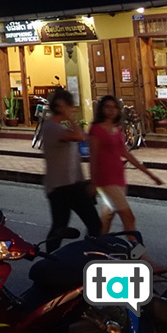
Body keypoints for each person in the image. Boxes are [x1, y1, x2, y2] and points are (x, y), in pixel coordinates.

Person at [89, 95, 163, 235]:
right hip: (105, 179)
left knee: (108, 215)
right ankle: (138, 253)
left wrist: (149, 174)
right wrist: (93, 181)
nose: (111, 110)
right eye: (107, 107)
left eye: (114, 107)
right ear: (101, 109)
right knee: (128, 217)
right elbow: (93, 157)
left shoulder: (117, 129)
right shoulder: (96, 130)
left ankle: (98, 244)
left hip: (118, 177)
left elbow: (126, 154)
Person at [40, 88, 101, 252]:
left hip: (72, 184)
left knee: (90, 224)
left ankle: (87, 254)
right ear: (60, 106)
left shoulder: (59, 127)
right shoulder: (52, 127)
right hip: (62, 187)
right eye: (70, 105)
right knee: (61, 227)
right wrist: (70, 118)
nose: (73, 109)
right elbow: (79, 136)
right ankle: (51, 262)